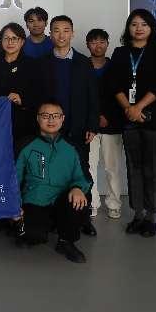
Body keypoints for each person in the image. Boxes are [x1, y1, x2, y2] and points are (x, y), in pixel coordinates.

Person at [106, 9, 156, 238]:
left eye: (144, 24)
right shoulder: (120, 53)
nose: (139, 28)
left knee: (154, 167)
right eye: (134, 24)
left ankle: (151, 217)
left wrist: (138, 107)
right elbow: (114, 84)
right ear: (128, 28)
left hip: (154, 119)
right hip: (129, 118)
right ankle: (138, 214)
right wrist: (129, 109)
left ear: (151, 28)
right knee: (134, 167)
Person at [38, 15, 99, 237]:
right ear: (50, 34)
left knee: (81, 171)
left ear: (72, 33)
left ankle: (83, 218)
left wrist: (92, 124)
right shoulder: (42, 62)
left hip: (77, 128)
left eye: (66, 30)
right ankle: (55, 216)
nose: (61, 35)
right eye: (56, 30)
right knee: (51, 172)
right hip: (50, 129)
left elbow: (93, 96)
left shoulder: (83, 62)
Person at [0, 21, 43, 235]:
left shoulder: (32, 65)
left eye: (14, 38)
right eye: (6, 38)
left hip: (23, 127)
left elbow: (42, 95)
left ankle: (21, 216)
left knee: (21, 171)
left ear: (22, 41)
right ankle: (1, 216)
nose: (10, 42)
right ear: (0, 41)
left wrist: (23, 98)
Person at [16, 100, 91, 263]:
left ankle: (66, 241)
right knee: (31, 236)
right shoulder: (25, 145)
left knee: (79, 200)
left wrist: (77, 188)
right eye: (45, 116)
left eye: (56, 116)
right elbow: (13, 179)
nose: (51, 120)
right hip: (34, 200)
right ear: (38, 118)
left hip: (62, 200)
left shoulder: (73, 147)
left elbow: (84, 177)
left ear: (62, 119)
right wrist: (14, 205)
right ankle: (42, 225)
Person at [85, 28, 124, 220]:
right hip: (89, 126)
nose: (98, 45)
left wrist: (106, 115)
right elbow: (80, 96)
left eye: (102, 41)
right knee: (89, 166)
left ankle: (114, 204)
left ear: (108, 43)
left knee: (112, 168)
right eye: (93, 41)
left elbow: (121, 95)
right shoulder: (81, 66)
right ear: (87, 45)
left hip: (112, 125)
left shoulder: (116, 66)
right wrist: (95, 117)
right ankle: (92, 203)